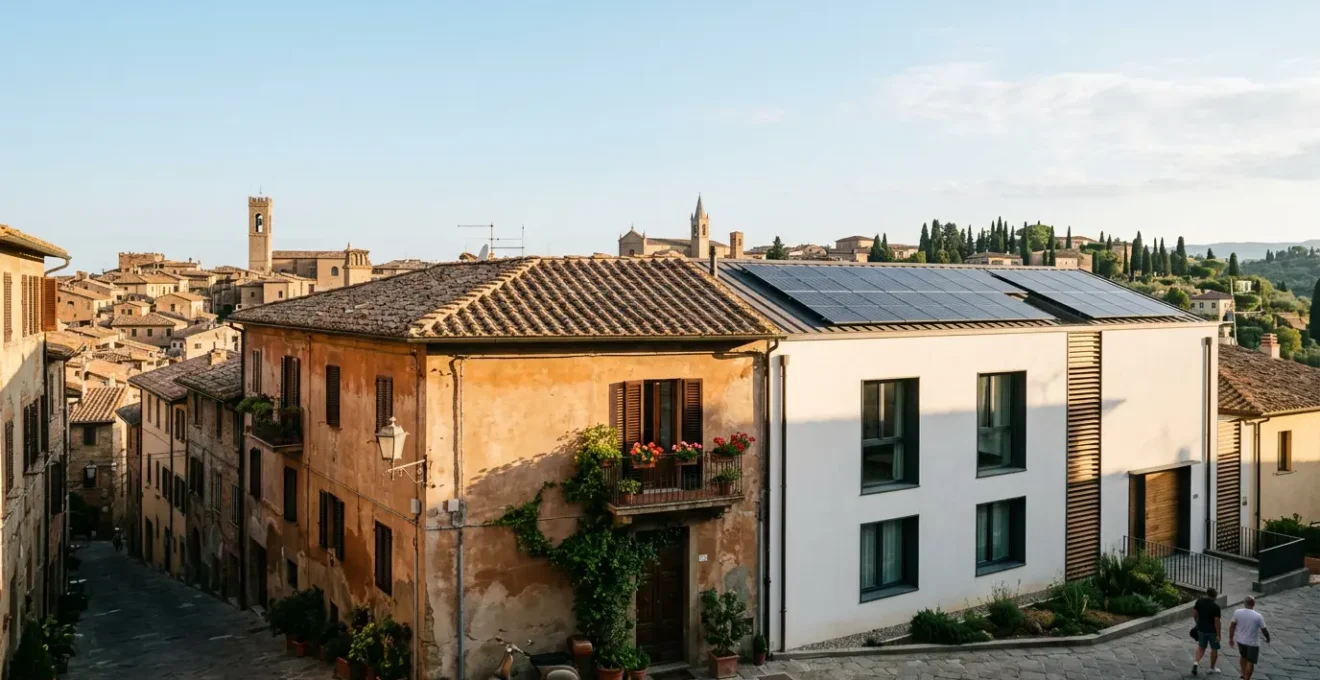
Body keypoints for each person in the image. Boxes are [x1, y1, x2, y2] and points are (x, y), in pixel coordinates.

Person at [1229, 596, 1271, 680]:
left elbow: (1232, 626)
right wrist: (1268, 637)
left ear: (1244, 603)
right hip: (1253, 643)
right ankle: (1247, 678)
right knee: (1250, 662)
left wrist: (1231, 638)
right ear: (1253, 604)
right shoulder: (1258, 616)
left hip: (1241, 640)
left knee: (1243, 656)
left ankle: (1242, 673)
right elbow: (1264, 630)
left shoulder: (1237, 612)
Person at [1191, 586, 1222, 675]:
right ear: (1215, 595)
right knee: (1214, 648)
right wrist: (1218, 634)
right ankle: (1212, 668)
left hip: (1201, 629)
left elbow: (1194, 614)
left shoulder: (1199, 601)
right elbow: (1217, 622)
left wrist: (1197, 624)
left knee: (1201, 647)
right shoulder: (1216, 607)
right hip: (1212, 631)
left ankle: (1196, 662)